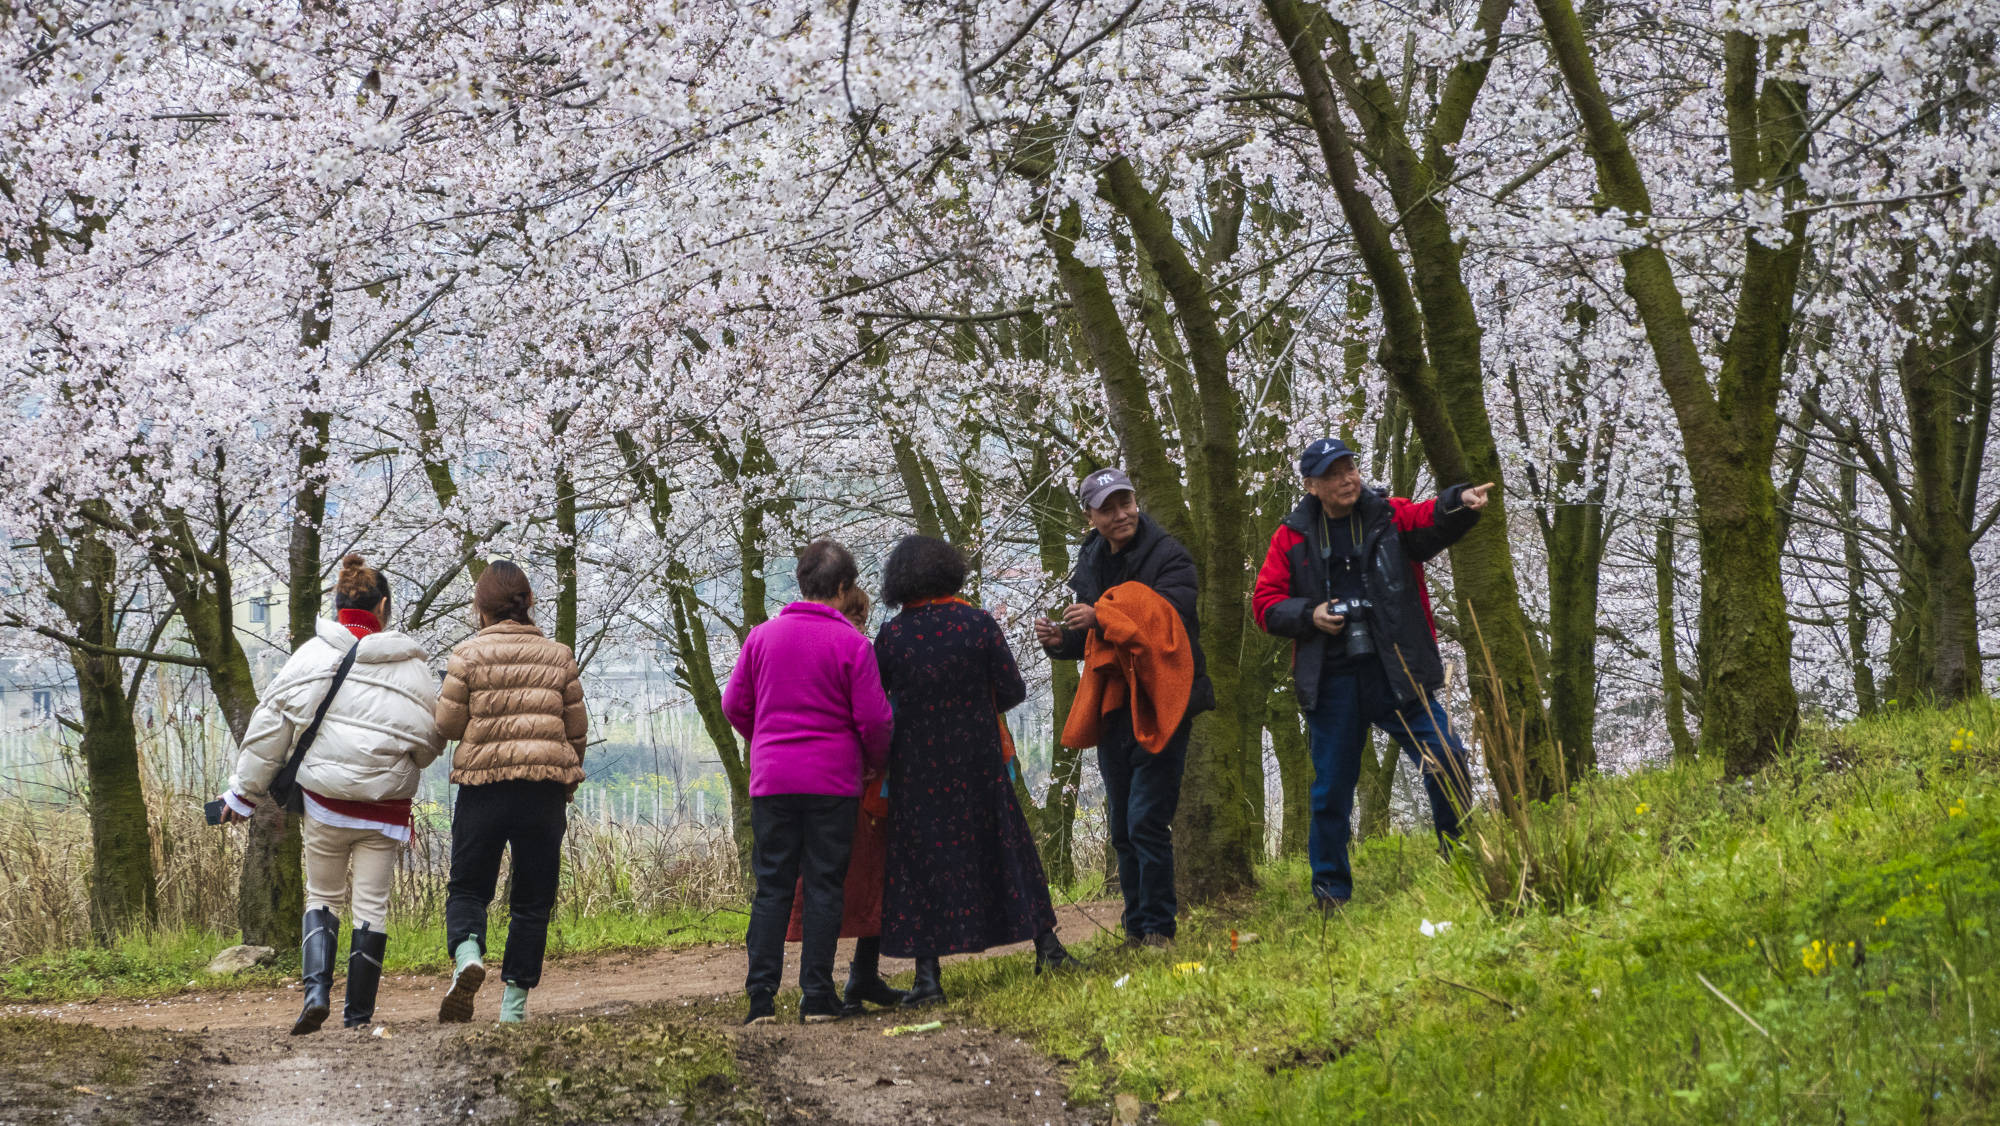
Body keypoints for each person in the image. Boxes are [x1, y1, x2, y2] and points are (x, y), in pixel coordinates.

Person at [1251, 437, 1491, 910]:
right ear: (1311, 485)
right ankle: (1330, 894)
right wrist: (1310, 614)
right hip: (1332, 679)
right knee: (1330, 791)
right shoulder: (1292, 537)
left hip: (1396, 671)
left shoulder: (1387, 515)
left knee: (1445, 753)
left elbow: (1429, 518)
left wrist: (1459, 500)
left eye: (1350, 468)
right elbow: (1265, 604)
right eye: (1334, 473)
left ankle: (1460, 857)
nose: (1348, 478)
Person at [216, 553, 445, 1035]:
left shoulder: (312, 657)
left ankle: (316, 993)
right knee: (372, 907)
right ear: (384, 606)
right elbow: (428, 747)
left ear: (337, 605)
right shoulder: (414, 669)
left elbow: (269, 729)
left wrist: (244, 793)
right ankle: (358, 1016)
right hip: (384, 810)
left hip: (325, 803)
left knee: (322, 894)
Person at [878, 535, 1070, 1005]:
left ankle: (928, 978)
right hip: (978, 760)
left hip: (916, 767)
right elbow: (1012, 690)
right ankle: (1048, 949)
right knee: (1006, 845)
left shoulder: (892, 637)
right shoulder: (978, 624)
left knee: (922, 861)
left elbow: (879, 704)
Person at [1035, 468, 1213, 951]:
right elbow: (1095, 639)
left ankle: (1159, 929)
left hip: (1164, 700)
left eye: (1126, 503)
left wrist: (1102, 616)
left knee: (1146, 819)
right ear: (1090, 517)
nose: (1121, 515)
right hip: (1114, 703)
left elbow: (1168, 622)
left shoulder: (1169, 555)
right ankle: (1137, 929)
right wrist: (1062, 640)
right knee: (1121, 824)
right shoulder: (1090, 558)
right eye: (1108, 508)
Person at [723, 539, 894, 1026]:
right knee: (823, 885)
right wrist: (871, 762)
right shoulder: (852, 644)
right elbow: (875, 720)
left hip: (773, 780)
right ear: (843, 588)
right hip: (833, 782)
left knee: (772, 885)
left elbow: (734, 705)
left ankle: (760, 1000)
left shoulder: (761, 637)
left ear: (801, 584)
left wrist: (767, 741)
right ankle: (817, 997)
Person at [434, 560, 587, 1024]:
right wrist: (567, 775)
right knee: (532, 899)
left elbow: (447, 724)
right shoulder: (559, 655)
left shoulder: (467, 655)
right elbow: (576, 728)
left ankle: (468, 956)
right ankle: (514, 1008)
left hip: (484, 789)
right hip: (542, 792)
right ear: (528, 604)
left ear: (480, 608)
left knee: (468, 886)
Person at [782, 583, 907, 1014]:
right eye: (851, 613)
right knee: (835, 884)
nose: (857, 623)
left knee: (875, 881)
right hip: (840, 783)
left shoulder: (858, 650)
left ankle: (863, 975)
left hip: (866, 784)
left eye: (862, 616)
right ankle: (821, 985)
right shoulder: (843, 651)